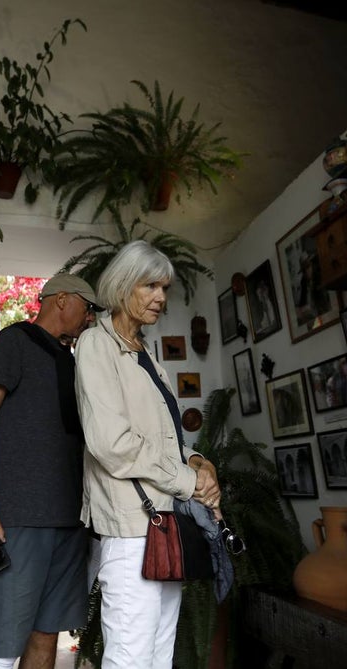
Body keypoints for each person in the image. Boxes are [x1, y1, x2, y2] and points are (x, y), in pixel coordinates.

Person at [74, 241, 222, 669]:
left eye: (165, 288)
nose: (160, 297)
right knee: (130, 658)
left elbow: (163, 440)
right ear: (123, 285)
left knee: (159, 655)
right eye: (150, 285)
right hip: (129, 531)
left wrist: (197, 463)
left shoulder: (145, 355)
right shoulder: (96, 346)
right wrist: (187, 480)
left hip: (162, 528)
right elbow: (111, 443)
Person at [0, 273, 101, 669]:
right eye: (87, 308)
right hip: (16, 520)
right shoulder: (13, 341)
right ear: (61, 300)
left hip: (69, 522)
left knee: (46, 634)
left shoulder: (72, 360)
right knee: (3, 641)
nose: (90, 319)